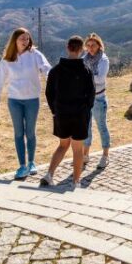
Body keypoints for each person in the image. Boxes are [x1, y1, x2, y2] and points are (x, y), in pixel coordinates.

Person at [0, 27, 51, 180]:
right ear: (15, 40)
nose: (25, 41)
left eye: (27, 38)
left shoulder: (35, 55)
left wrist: (50, 77)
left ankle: (31, 162)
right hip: (14, 101)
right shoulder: (7, 59)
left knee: (30, 132)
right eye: (22, 38)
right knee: (18, 133)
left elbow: (46, 69)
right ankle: (22, 165)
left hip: (32, 100)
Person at [40, 35, 95, 189]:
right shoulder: (86, 70)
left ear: (67, 48)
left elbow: (49, 93)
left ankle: (49, 174)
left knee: (62, 145)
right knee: (77, 149)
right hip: (79, 114)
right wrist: (86, 110)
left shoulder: (56, 70)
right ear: (82, 49)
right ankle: (76, 182)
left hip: (61, 114)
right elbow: (91, 94)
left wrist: (54, 110)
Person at [82, 33, 111, 170]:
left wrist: (84, 77)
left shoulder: (103, 60)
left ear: (99, 45)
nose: (90, 48)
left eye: (93, 45)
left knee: (101, 127)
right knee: (86, 129)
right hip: (85, 98)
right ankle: (85, 155)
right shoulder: (84, 58)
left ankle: (105, 155)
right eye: (88, 45)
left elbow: (100, 79)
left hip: (99, 98)